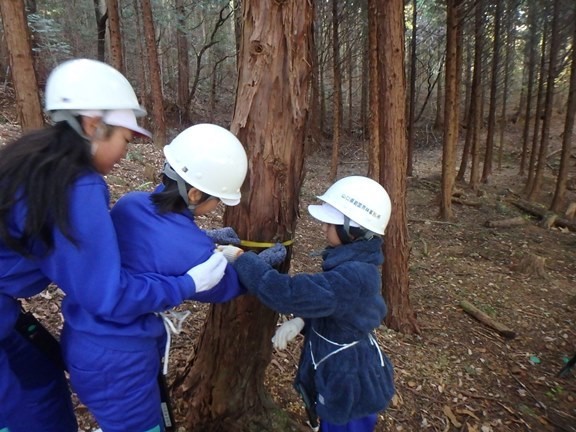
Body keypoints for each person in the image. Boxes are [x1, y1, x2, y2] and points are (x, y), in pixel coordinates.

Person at [0, 58, 227, 432]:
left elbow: (86, 251)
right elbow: (107, 296)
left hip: (14, 318)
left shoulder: (37, 158)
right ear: (92, 125)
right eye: (124, 138)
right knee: (30, 416)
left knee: (42, 388)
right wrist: (188, 284)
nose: (125, 152)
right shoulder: (78, 185)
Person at [84, 123, 251, 431]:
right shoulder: (193, 247)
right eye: (216, 200)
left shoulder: (130, 202)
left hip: (88, 342)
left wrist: (206, 239)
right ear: (196, 192)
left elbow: (153, 241)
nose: (215, 207)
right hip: (122, 361)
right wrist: (257, 265)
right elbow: (227, 284)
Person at [231, 176, 396, 432]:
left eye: (329, 224)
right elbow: (338, 307)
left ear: (352, 229)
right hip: (342, 371)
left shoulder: (353, 275)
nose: (323, 230)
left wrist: (242, 259)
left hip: (350, 382)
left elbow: (288, 293)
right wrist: (303, 321)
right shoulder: (354, 266)